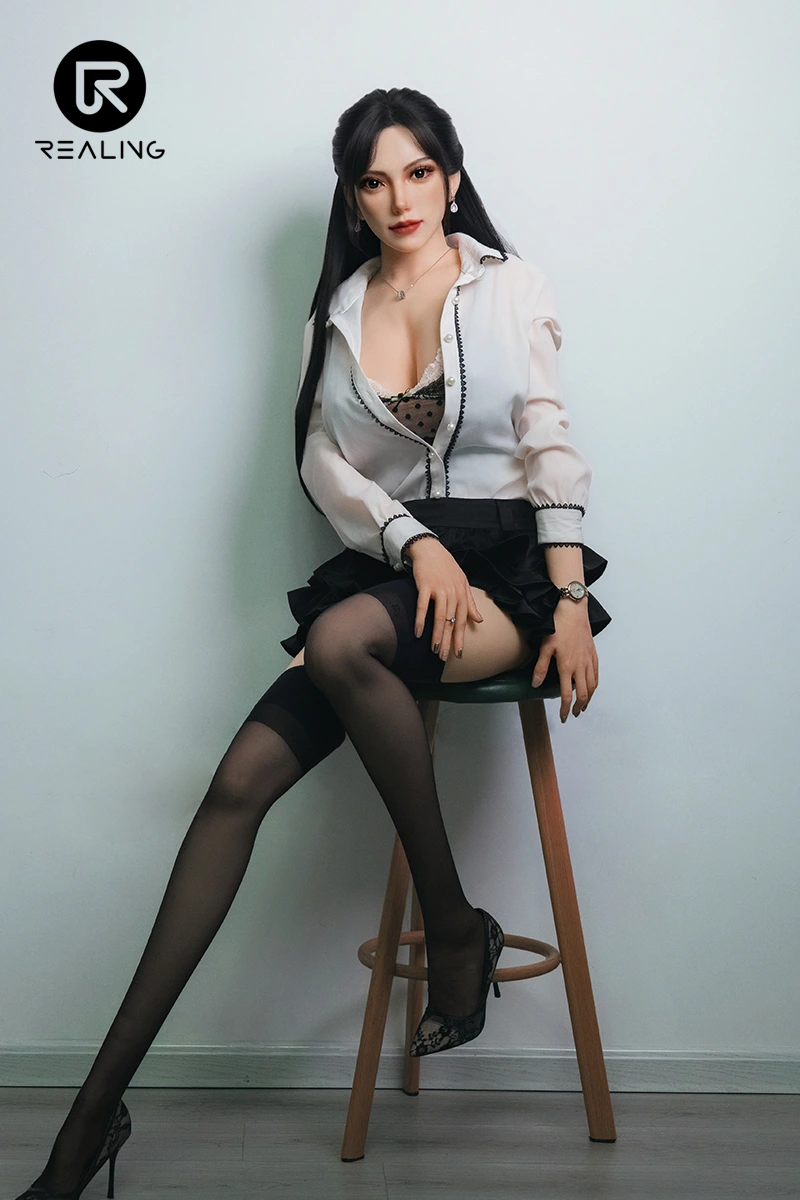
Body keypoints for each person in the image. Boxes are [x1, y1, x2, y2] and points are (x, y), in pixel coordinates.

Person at [13, 86, 611, 1199]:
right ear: (351, 195)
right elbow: (322, 465)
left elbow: (546, 438)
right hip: (396, 576)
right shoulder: (334, 313)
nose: (400, 198)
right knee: (235, 785)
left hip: (507, 577)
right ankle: (90, 1119)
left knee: (338, 643)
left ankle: (452, 928)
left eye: (418, 172)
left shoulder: (508, 285)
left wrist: (568, 599)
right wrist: (411, 544)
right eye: (374, 180)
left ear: (452, 177)